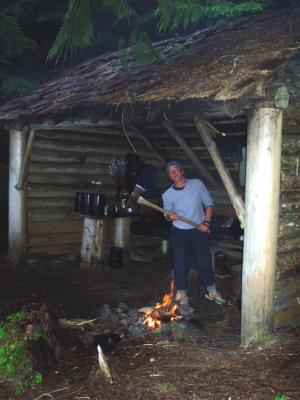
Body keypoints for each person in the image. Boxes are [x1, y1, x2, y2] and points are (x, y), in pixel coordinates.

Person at [162, 160, 225, 306]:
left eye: (176, 169)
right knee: (180, 263)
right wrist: (169, 216)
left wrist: (206, 223)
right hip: (179, 232)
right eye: (170, 172)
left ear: (182, 171)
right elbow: (166, 214)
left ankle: (211, 291)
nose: (174, 173)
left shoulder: (197, 184)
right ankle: (182, 293)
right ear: (169, 176)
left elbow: (208, 204)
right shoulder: (168, 195)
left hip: (198, 229)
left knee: (203, 261)